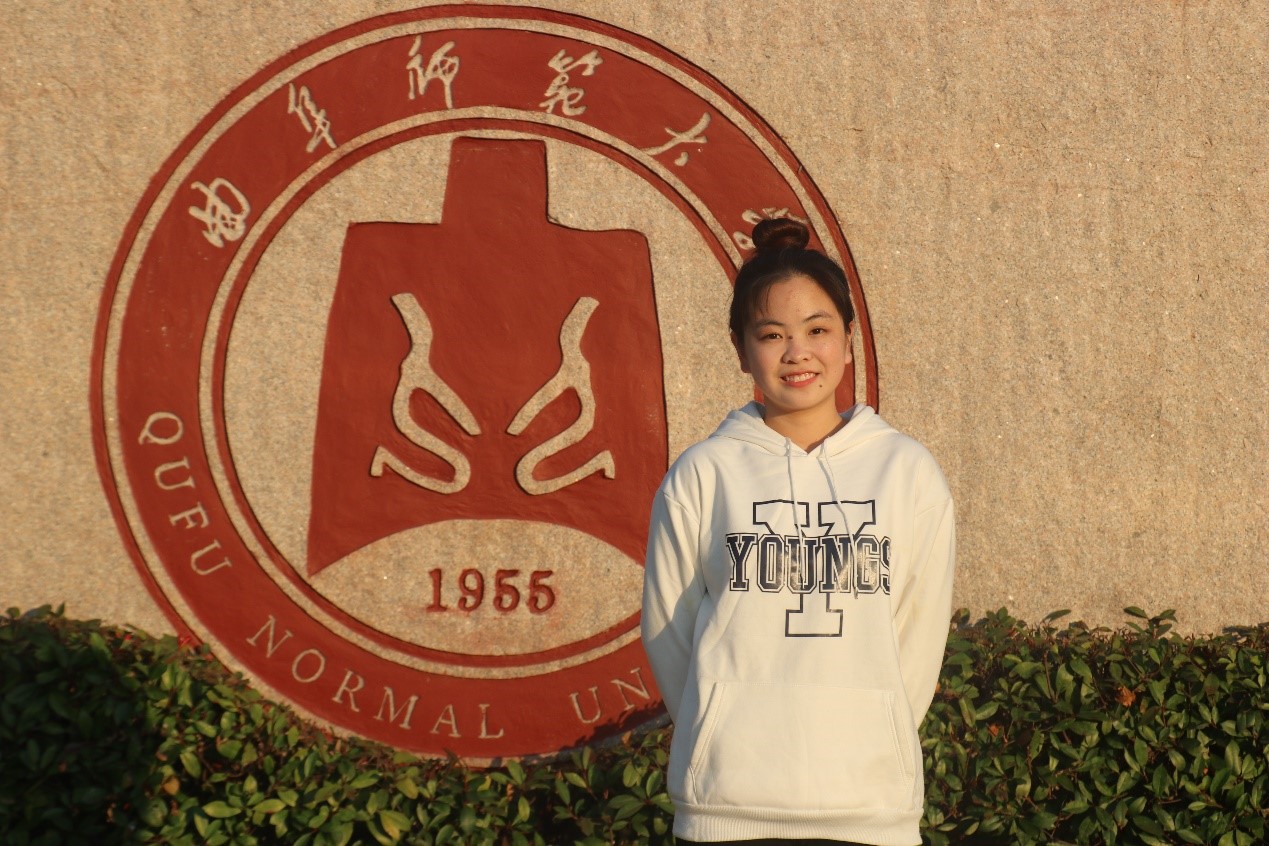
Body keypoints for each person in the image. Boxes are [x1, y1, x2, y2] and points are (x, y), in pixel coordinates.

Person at [641, 218, 956, 846]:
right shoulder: (705, 472)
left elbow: (918, 636)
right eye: (772, 335)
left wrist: (876, 733)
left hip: (870, 811)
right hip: (726, 811)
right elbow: (669, 630)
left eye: (817, 330)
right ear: (741, 350)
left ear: (848, 340)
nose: (797, 353)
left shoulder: (906, 471)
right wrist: (717, 735)